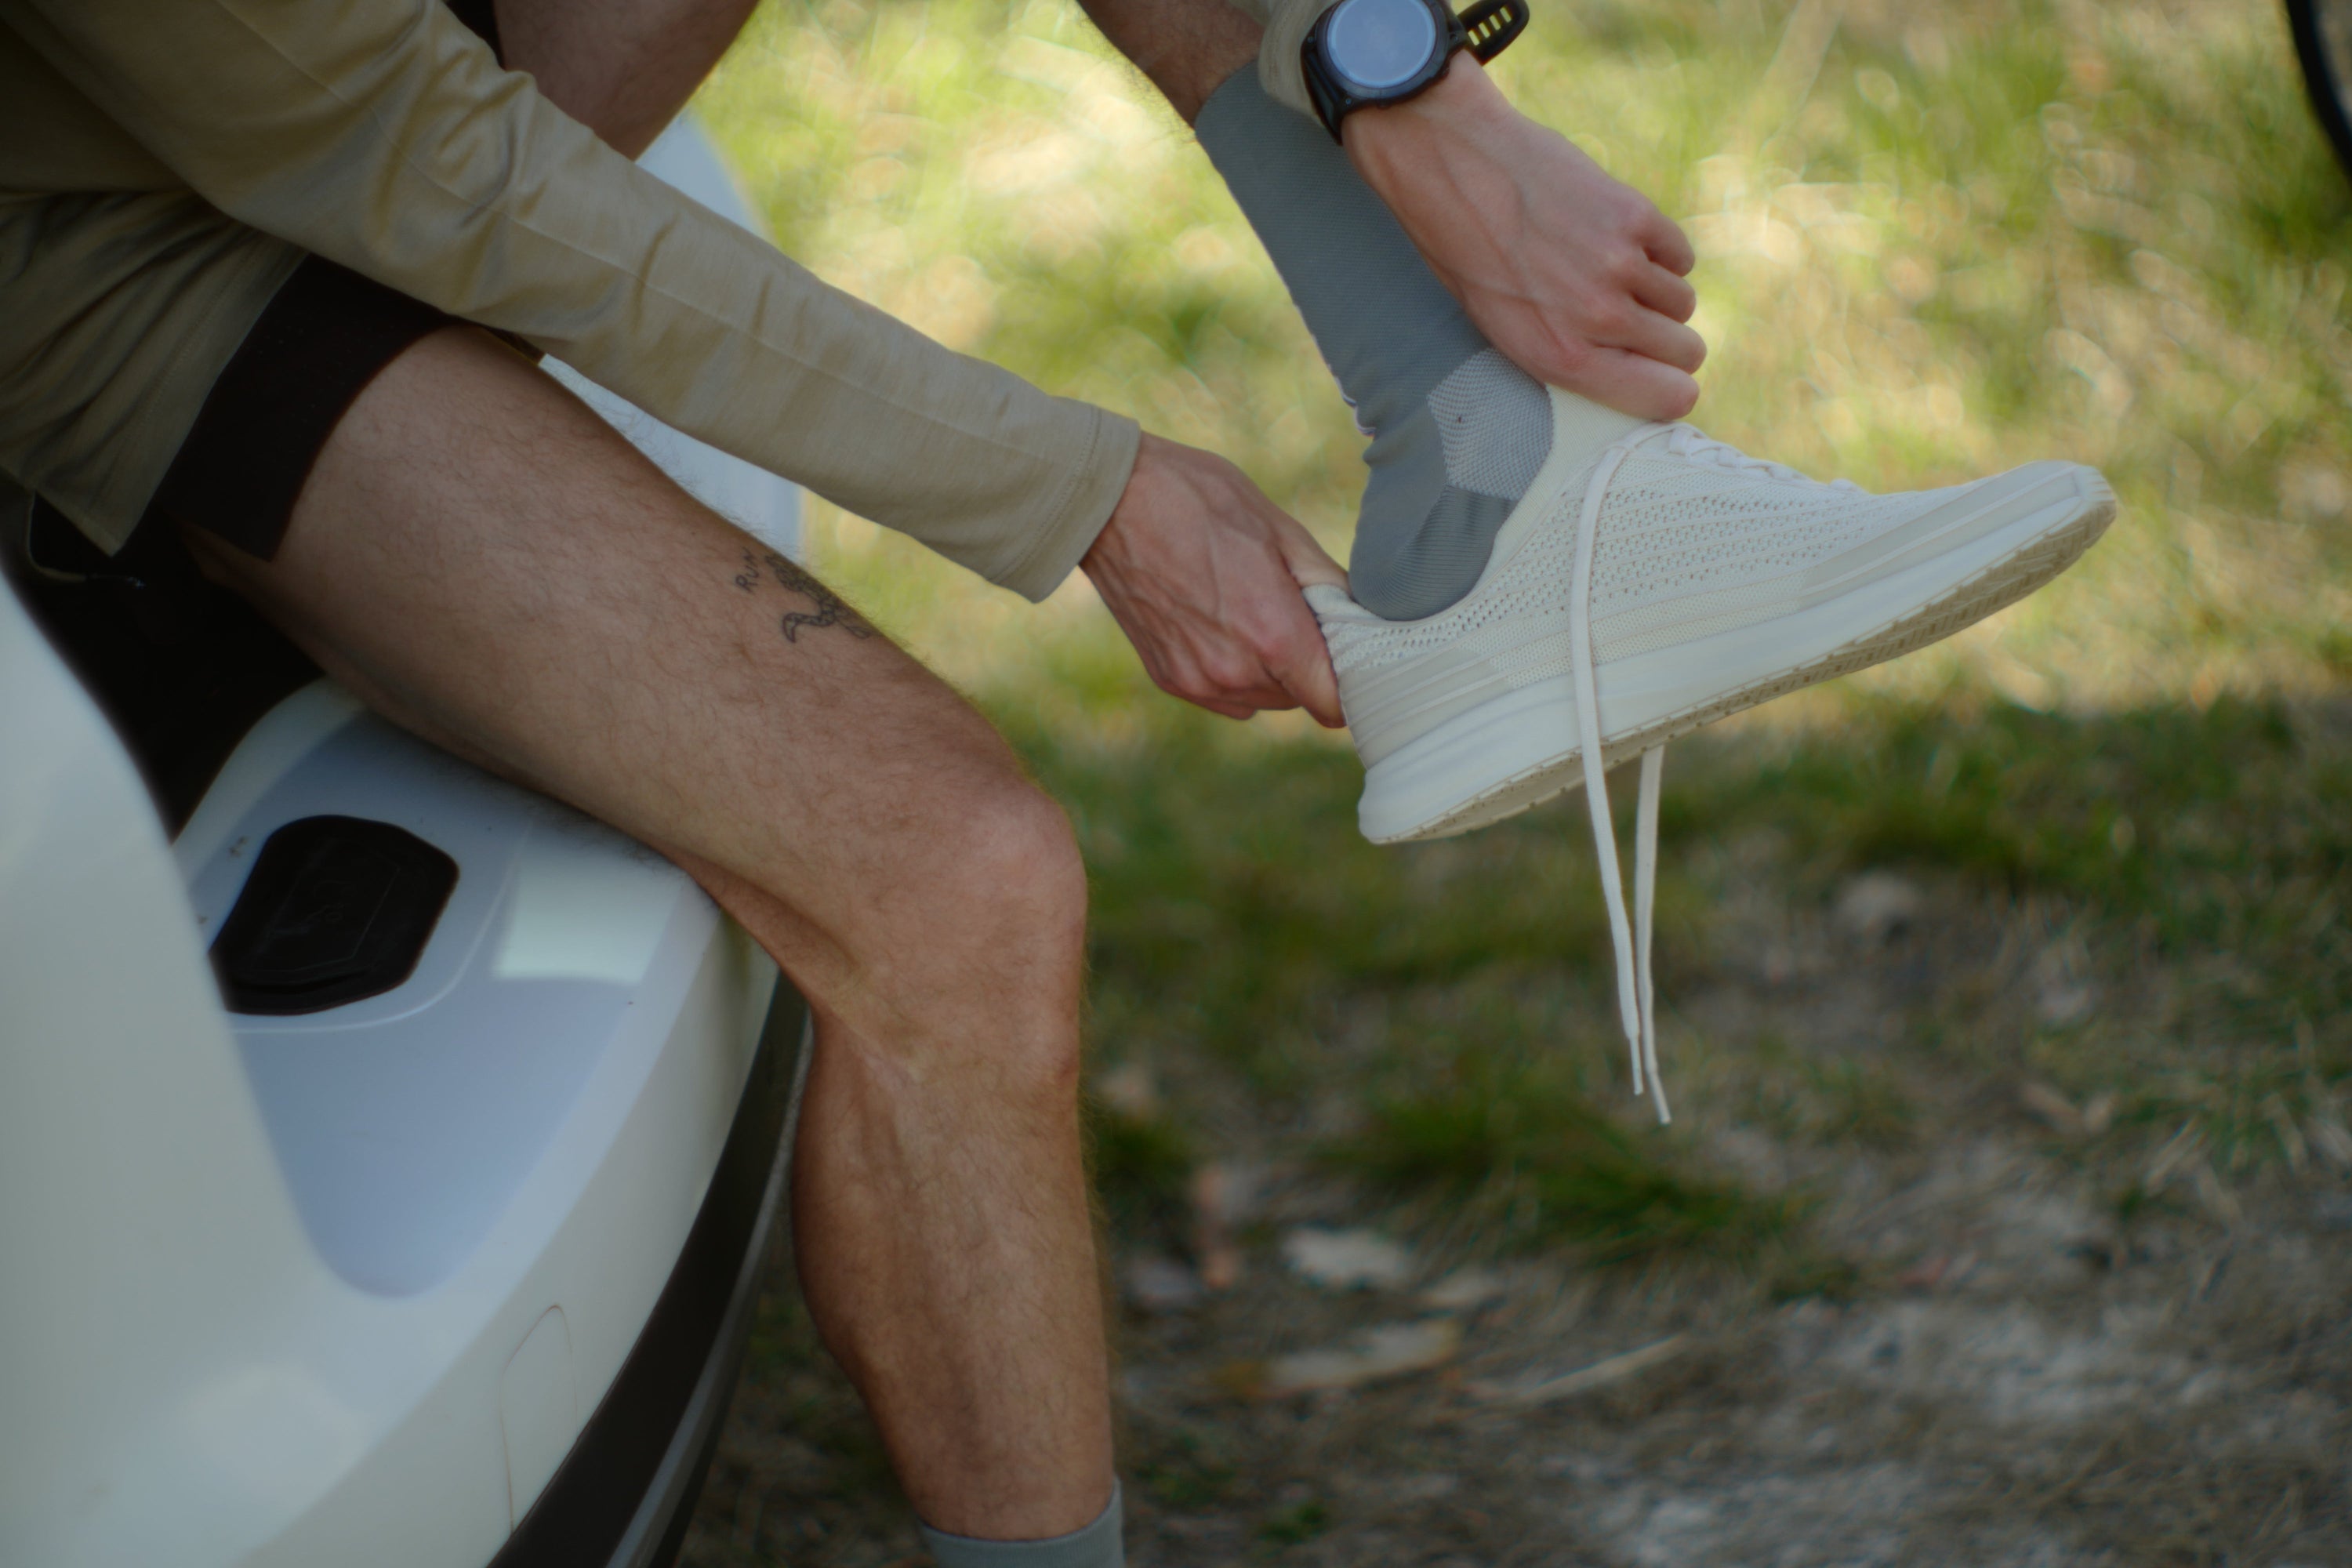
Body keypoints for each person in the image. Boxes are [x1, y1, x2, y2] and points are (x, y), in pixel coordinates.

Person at [0, 0, 2109, 1561]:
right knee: (959, 877)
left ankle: (1507, 468)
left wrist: (1397, 79)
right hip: (153, 245)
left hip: (363, 97)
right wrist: (1085, 487)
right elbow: (421, 168)